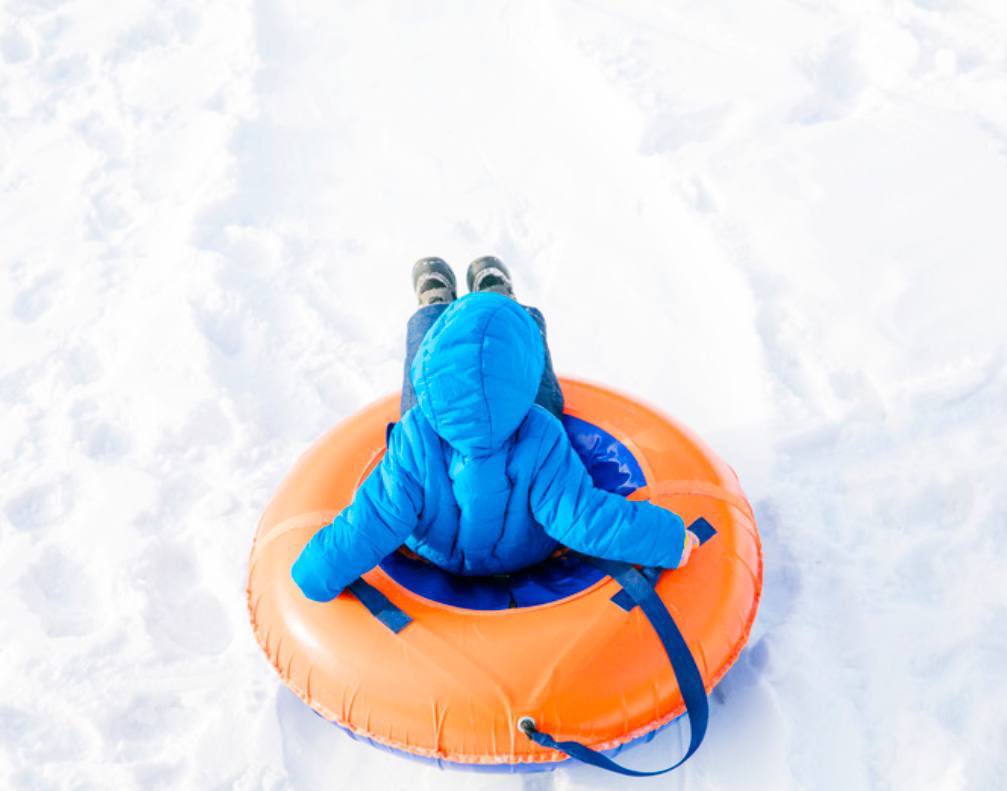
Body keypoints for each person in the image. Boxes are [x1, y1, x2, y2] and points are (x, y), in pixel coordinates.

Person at [291, 257, 698, 602]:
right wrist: (670, 538)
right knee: (525, 375)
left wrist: (315, 573)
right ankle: (505, 304)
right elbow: (584, 517)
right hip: (527, 553)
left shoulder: (415, 436)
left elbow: (373, 519)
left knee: (433, 386)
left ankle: (434, 308)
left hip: (439, 553)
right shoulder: (542, 433)